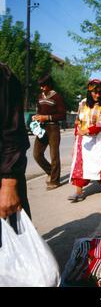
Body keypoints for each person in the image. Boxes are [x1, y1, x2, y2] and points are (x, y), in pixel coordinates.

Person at [0, 62, 31, 221]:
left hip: (4, 177)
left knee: (13, 239)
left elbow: (12, 132)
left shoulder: (4, 76)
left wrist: (8, 183)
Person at [32, 74, 66, 190]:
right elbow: (40, 111)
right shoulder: (39, 97)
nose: (42, 88)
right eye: (40, 86)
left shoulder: (57, 97)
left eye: (43, 86)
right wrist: (36, 117)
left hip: (53, 129)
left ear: (49, 85)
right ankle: (51, 172)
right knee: (36, 154)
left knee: (54, 156)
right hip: (42, 129)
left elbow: (62, 115)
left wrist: (46, 118)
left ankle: (55, 181)